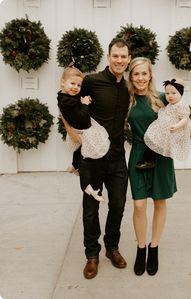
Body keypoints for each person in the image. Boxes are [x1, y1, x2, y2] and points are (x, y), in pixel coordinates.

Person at [78, 38, 131, 279]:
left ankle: (112, 247)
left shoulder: (127, 86)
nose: (119, 60)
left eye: (123, 56)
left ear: (128, 59)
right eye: (115, 56)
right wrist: (76, 137)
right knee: (91, 208)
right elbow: (68, 105)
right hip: (93, 160)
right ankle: (92, 254)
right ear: (108, 57)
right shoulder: (91, 81)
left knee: (118, 205)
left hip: (118, 157)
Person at [127, 57, 177, 276]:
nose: (140, 78)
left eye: (144, 74)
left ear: (150, 75)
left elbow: (185, 111)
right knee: (139, 205)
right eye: (136, 74)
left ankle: (153, 247)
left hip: (161, 155)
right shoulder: (127, 100)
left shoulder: (163, 98)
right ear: (131, 77)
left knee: (159, 201)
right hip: (138, 152)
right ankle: (140, 248)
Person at [57, 66, 110, 202]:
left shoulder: (65, 96)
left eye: (78, 85)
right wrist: (85, 104)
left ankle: (75, 166)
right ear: (62, 82)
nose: (75, 87)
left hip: (80, 129)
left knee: (82, 152)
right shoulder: (66, 101)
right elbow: (84, 121)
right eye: (72, 83)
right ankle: (87, 186)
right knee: (89, 156)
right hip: (83, 129)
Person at [138, 78, 191, 168]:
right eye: (167, 93)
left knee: (155, 141)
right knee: (151, 139)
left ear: (181, 94)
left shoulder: (181, 106)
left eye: (174, 93)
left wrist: (177, 126)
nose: (170, 96)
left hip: (171, 130)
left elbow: (184, 119)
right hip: (162, 128)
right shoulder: (171, 104)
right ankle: (149, 160)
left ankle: (149, 161)